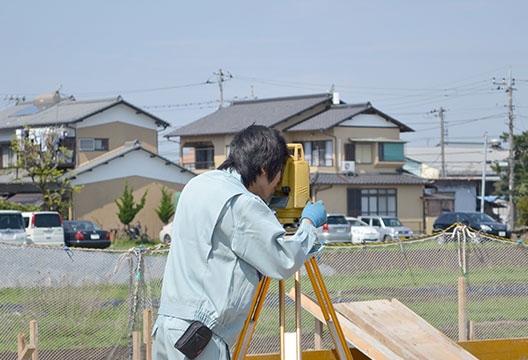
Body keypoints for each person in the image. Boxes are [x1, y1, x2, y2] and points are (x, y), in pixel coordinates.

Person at [152, 125, 327, 359]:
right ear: (265, 168)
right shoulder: (242, 203)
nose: (279, 182)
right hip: (199, 340)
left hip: (168, 328)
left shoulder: (197, 186)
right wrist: (307, 226)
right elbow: (282, 260)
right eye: (279, 173)